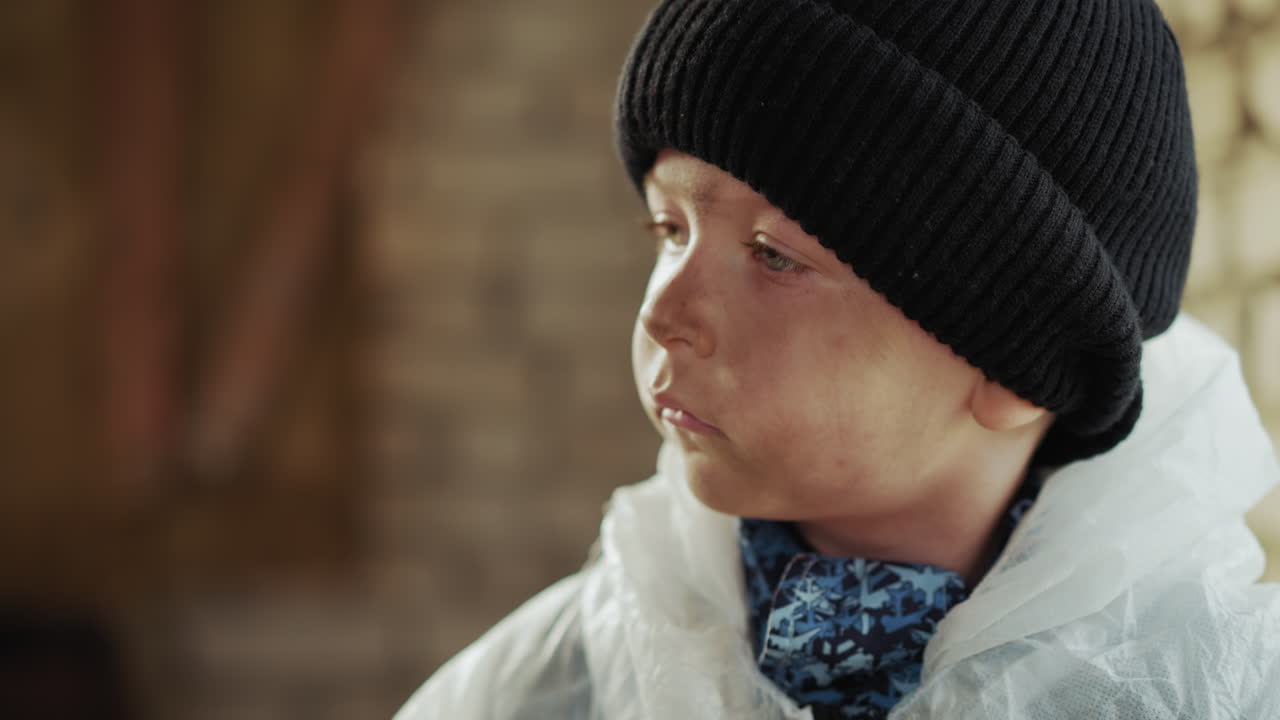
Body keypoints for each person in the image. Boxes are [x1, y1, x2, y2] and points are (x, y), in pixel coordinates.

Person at [396, 0, 1280, 717]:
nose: (665, 313)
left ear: (1017, 363)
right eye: (671, 229)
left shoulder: (1201, 690)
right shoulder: (561, 684)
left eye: (776, 256)